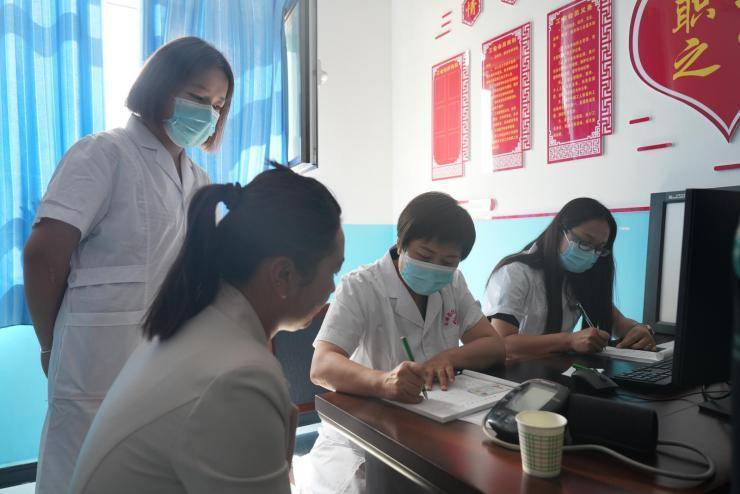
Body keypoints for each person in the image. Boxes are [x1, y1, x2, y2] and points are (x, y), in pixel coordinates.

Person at [22, 37, 234, 493]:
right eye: (198, 98)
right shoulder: (102, 153)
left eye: (217, 105)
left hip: (164, 360)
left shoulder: (198, 179)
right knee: (78, 475)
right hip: (93, 362)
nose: (209, 114)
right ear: (160, 87)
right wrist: (49, 344)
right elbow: (43, 257)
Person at [69, 167, 344, 493]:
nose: (332, 288)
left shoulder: (197, 325)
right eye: (333, 271)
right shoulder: (237, 376)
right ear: (282, 275)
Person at [295, 192, 506, 494]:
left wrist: (448, 357)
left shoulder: (453, 283)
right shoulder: (361, 286)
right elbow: (322, 366)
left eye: (448, 261)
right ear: (401, 242)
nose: (436, 267)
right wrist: (383, 382)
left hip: (434, 425)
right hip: (365, 432)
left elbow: (493, 345)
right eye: (424, 255)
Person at [482, 197, 656, 358]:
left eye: (598, 248)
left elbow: (618, 322)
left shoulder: (580, 275)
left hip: (554, 370)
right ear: (560, 231)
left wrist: (638, 330)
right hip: (513, 377)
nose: (590, 253)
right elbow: (502, 343)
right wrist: (569, 340)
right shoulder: (515, 273)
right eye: (584, 242)